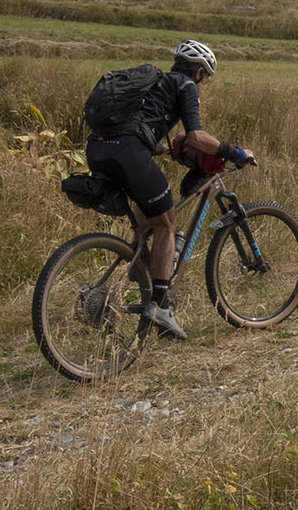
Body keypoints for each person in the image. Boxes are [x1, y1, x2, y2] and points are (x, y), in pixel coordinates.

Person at [82, 40, 254, 340]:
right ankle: (160, 306)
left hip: (99, 150)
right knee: (167, 223)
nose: (203, 86)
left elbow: (138, 127)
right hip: (129, 152)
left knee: (147, 222)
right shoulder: (186, 85)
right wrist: (235, 152)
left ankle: (138, 280)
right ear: (199, 73)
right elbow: (197, 135)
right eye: (206, 80)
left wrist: (166, 149)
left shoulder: (155, 82)